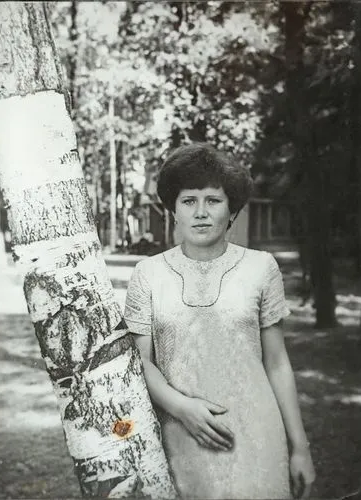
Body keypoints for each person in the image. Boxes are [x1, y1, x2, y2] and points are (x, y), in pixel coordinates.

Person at [124, 143, 316, 499]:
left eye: (212, 200)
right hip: (180, 437)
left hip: (257, 434)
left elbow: (277, 363)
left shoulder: (262, 268)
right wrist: (181, 407)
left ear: (232, 211)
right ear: (173, 211)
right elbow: (139, 363)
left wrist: (299, 447)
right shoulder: (147, 274)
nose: (200, 212)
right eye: (188, 201)